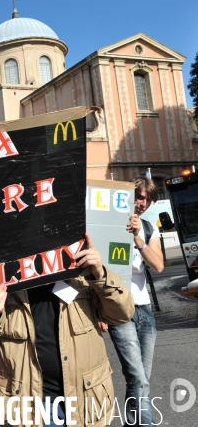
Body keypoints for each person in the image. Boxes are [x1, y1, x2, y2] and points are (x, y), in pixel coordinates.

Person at [0, 234, 135, 426]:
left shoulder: (80, 269)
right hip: (31, 405)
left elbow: (122, 314)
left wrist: (100, 274)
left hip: (85, 399)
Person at [106, 176, 164, 426]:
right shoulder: (109, 224)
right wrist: (100, 310)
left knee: (140, 379)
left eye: (147, 200)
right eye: (139, 197)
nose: (142, 203)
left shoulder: (150, 229)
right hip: (119, 312)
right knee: (138, 378)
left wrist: (138, 238)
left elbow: (159, 265)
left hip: (145, 311)